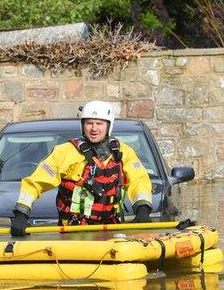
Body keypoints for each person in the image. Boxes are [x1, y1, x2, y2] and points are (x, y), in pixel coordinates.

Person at [10, 101, 153, 237]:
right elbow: (35, 182)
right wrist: (21, 214)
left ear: (109, 125)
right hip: (73, 231)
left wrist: (143, 210)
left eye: (99, 123)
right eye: (89, 123)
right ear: (82, 125)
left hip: (110, 228)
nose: (94, 128)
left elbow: (139, 180)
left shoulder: (124, 153)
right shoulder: (65, 152)